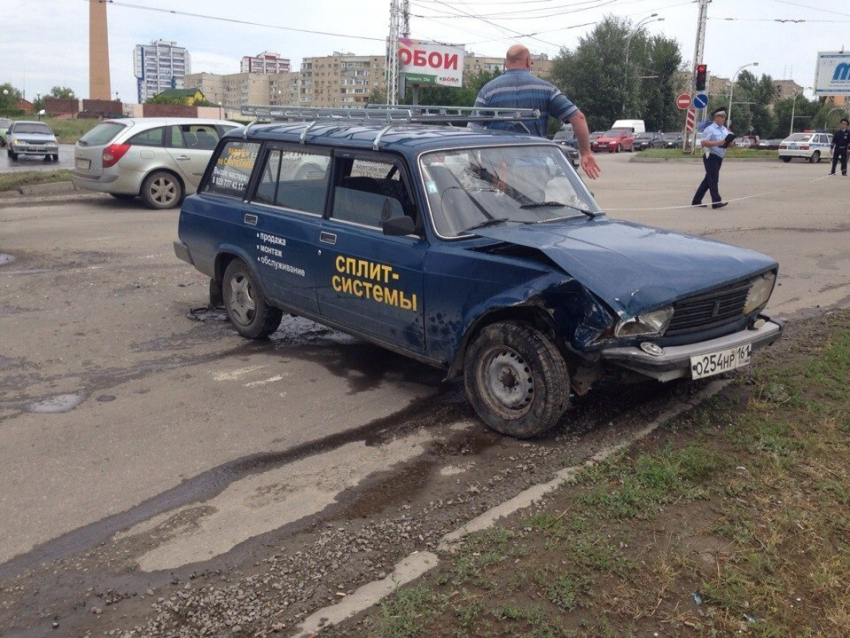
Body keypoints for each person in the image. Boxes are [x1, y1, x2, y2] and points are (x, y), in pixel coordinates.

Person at [469, 44, 600, 179]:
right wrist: (585, 153)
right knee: (534, 200)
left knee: (498, 201)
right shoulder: (546, 88)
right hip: (534, 168)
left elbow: (473, 128)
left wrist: (473, 163)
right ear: (527, 61)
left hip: (497, 168)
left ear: (505, 63)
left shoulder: (488, 90)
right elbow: (578, 117)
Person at [691, 107, 733, 209]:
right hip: (710, 155)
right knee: (713, 178)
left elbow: (729, 143)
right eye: (721, 117)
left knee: (709, 179)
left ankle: (696, 200)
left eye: (724, 117)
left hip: (719, 156)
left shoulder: (724, 130)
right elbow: (703, 142)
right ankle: (716, 201)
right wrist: (717, 142)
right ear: (716, 117)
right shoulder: (710, 129)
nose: (723, 119)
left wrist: (730, 141)